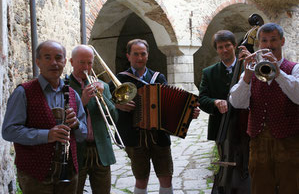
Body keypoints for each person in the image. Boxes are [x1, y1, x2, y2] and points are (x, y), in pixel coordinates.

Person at [109, 39, 200, 194]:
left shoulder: (158, 78)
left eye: (143, 54)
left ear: (147, 55)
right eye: (135, 54)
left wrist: (189, 113)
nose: (139, 57)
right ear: (128, 56)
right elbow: (107, 106)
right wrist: (117, 105)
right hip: (134, 137)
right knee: (141, 178)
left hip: (159, 136)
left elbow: (171, 107)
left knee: (166, 176)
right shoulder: (119, 80)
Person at [2, 40, 87, 194]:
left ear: (65, 61)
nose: (54, 63)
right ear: (38, 62)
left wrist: (76, 125)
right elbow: (9, 131)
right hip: (35, 175)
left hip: (68, 173)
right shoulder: (23, 92)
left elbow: (82, 134)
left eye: (58, 57)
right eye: (47, 57)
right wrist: (47, 135)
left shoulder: (73, 94)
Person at [229, 23, 299, 194]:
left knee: (291, 188)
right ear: (259, 45)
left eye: (273, 40)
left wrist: (279, 73)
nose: (269, 45)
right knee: (260, 189)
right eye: (264, 41)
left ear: (282, 41)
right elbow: (237, 102)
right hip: (258, 144)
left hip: (289, 143)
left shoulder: (294, 68)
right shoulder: (251, 72)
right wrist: (246, 76)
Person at [199, 30, 250, 194]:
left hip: (247, 124)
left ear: (234, 46)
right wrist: (215, 102)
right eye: (220, 47)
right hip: (222, 126)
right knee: (226, 160)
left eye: (228, 45)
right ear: (217, 50)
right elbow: (202, 99)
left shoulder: (248, 67)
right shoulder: (209, 72)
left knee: (249, 161)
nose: (224, 50)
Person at [69, 45, 118, 194]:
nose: (86, 67)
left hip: (101, 150)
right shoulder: (65, 85)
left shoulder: (102, 86)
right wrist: (82, 102)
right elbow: (63, 121)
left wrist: (104, 97)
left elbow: (114, 119)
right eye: (81, 62)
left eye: (89, 63)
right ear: (71, 62)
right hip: (77, 150)